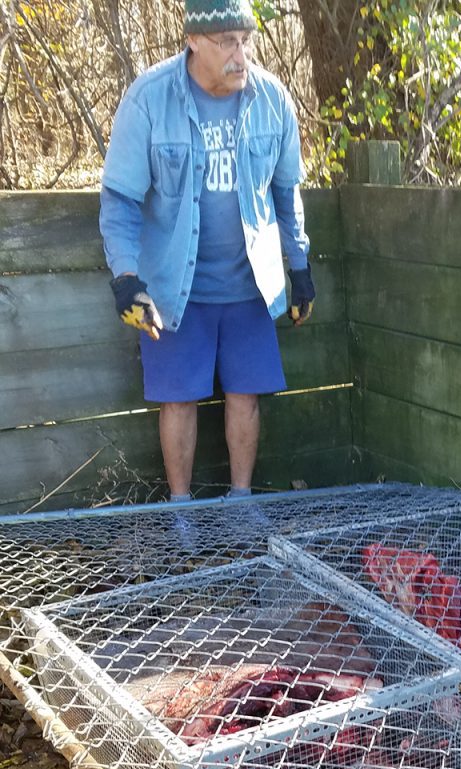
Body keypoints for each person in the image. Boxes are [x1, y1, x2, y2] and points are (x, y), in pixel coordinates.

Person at [98, 0, 315, 504]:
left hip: (250, 284)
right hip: (175, 289)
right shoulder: (150, 99)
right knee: (178, 399)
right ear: (194, 41)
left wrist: (300, 266)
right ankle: (182, 514)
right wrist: (126, 280)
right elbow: (120, 201)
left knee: (246, 395)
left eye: (247, 40)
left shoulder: (272, 100)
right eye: (228, 42)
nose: (241, 55)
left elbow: (287, 194)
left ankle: (241, 504)